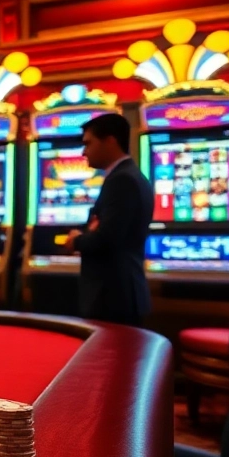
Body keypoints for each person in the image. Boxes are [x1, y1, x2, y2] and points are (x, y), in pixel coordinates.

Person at [65, 112, 152, 325]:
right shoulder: (126, 175)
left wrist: (76, 240)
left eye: (88, 143)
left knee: (114, 357)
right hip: (118, 293)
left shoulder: (122, 180)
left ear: (110, 141)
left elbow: (107, 238)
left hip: (114, 296)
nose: (84, 152)